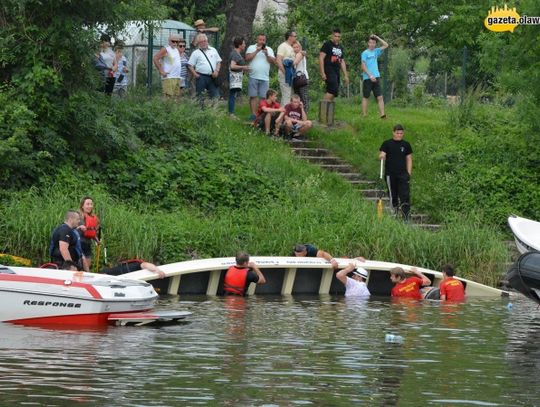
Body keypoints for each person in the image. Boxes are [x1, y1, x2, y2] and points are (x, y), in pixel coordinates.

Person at [379, 124, 413, 220]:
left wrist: (408, 173)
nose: (399, 135)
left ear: (403, 133)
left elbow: (409, 158)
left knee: (405, 195)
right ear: (393, 132)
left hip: (403, 175)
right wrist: (382, 156)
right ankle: (394, 213)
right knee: (392, 195)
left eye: (401, 133)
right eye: (397, 133)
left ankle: (406, 217)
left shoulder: (406, 145)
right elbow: (382, 154)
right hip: (390, 175)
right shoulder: (387, 143)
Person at [245, 33, 276, 121]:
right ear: (257, 40)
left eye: (263, 40)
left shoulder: (269, 49)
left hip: (265, 77)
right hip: (253, 75)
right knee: (253, 96)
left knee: (263, 97)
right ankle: (253, 115)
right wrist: (257, 51)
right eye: (260, 40)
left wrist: (266, 54)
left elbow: (273, 61)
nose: (262, 42)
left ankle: (261, 115)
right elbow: (247, 58)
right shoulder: (251, 47)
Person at [188, 34, 222, 107]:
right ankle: (201, 113)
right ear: (198, 43)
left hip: (212, 76)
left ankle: (214, 112)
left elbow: (218, 62)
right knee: (200, 96)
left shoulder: (213, 50)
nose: (203, 43)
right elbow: (190, 65)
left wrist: (217, 71)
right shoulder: (195, 53)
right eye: (201, 42)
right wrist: (195, 74)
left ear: (207, 41)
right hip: (201, 77)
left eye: (204, 41)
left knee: (215, 95)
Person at [361, 35, 389, 118]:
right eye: (370, 43)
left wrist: (377, 37)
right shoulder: (365, 53)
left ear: (375, 44)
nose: (372, 44)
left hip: (376, 77)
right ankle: (364, 115)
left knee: (380, 97)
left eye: (374, 43)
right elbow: (363, 66)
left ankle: (383, 115)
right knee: (366, 97)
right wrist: (370, 75)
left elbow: (386, 45)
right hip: (367, 78)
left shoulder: (376, 51)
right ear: (368, 43)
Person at [319, 28, 349, 102]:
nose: (337, 38)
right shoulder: (327, 44)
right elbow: (321, 58)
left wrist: (345, 75)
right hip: (328, 70)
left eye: (339, 36)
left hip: (336, 71)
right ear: (332, 36)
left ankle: (328, 111)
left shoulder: (340, 47)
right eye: (335, 36)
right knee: (333, 88)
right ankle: (323, 110)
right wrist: (322, 72)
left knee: (334, 91)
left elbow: (342, 61)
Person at [153, 34, 183, 99]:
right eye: (173, 41)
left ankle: (173, 109)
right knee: (168, 98)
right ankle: (167, 109)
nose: (175, 43)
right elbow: (155, 58)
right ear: (169, 41)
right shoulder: (166, 49)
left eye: (177, 42)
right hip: (169, 77)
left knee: (176, 98)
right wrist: (161, 71)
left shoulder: (176, 49)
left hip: (177, 77)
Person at [77, 196, 100, 273]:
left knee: (87, 268)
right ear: (82, 206)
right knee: (81, 267)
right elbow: (70, 228)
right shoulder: (78, 216)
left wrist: (97, 240)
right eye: (87, 204)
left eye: (91, 204)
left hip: (87, 244)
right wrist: (79, 227)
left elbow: (93, 232)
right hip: (79, 244)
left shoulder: (93, 217)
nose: (90, 206)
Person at [228, 37, 250, 117]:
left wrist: (244, 68)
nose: (245, 45)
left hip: (237, 77)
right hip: (234, 77)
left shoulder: (237, 53)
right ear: (239, 45)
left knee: (233, 95)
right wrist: (243, 67)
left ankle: (231, 113)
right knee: (232, 95)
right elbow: (232, 66)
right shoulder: (235, 54)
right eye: (243, 44)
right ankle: (231, 113)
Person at [276, 31, 297, 105]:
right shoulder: (283, 46)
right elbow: (278, 60)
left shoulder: (292, 47)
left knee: (290, 95)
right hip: (284, 74)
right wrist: (285, 72)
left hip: (291, 74)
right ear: (289, 37)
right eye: (295, 36)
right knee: (286, 95)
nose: (296, 38)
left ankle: (284, 114)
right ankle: (284, 115)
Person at [292, 41, 310, 113]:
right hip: (296, 78)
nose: (296, 48)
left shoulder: (300, 54)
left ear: (300, 47)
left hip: (302, 78)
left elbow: (294, 63)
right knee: (298, 97)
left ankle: (305, 113)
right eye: (294, 47)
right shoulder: (295, 54)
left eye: (297, 47)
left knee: (303, 97)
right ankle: (299, 113)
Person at [101, 259, 166, 279]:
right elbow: (146, 265)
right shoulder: (139, 264)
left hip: (116, 274)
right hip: (110, 273)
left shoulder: (138, 265)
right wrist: (158, 271)